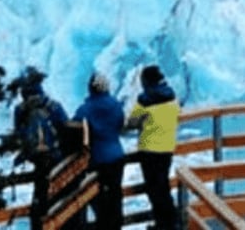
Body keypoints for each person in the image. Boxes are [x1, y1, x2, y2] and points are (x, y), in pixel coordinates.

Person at [12, 66, 72, 230]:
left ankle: (40, 225)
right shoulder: (53, 106)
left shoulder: (20, 110)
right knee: (60, 198)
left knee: (40, 197)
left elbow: (18, 135)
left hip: (37, 160)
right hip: (56, 157)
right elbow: (66, 128)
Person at [125, 64, 179, 230]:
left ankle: (163, 225)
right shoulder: (171, 96)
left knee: (154, 190)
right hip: (167, 147)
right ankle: (170, 223)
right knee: (163, 187)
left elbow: (132, 122)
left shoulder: (145, 99)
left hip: (149, 150)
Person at [73, 72, 127, 229]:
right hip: (117, 155)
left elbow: (74, 125)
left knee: (98, 198)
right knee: (115, 195)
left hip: (98, 158)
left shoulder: (86, 109)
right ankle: (116, 225)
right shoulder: (116, 105)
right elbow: (120, 123)